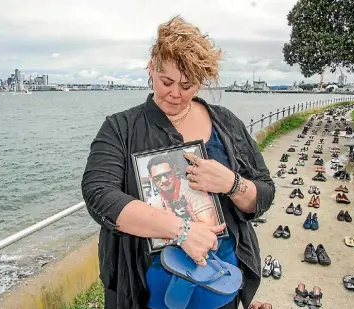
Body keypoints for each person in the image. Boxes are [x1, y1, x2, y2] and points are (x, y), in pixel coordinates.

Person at [82, 15, 275, 309]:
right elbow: (98, 194)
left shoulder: (226, 123)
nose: (175, 94)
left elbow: (264, 193)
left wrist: (231, 183)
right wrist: (181, 231)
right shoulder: (120, 128)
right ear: (151, 68)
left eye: (187, 85)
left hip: (220, 278)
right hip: (146, 284)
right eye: (166, 81)